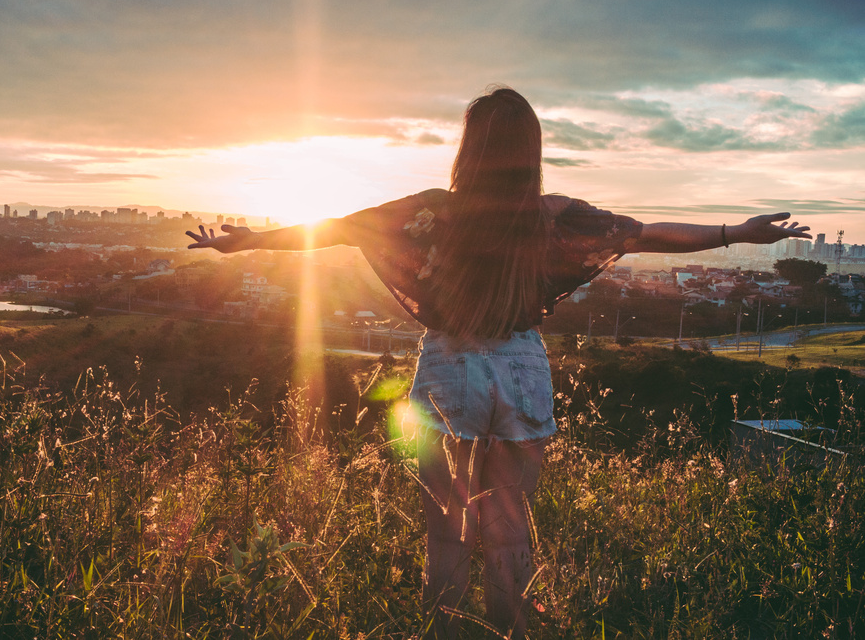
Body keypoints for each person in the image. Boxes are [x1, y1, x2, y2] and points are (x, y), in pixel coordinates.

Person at [186, 86, 811, 638]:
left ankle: (448, 631)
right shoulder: (554, 215)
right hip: (521, 368)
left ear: (469, 147)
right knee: (511, 516)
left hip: (448, 368)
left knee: (448, 526)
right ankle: (509, 625)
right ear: (530, 149)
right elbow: (646, 231)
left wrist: (245, 242)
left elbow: (335, 228)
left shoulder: (433, 208)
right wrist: (736, 231)